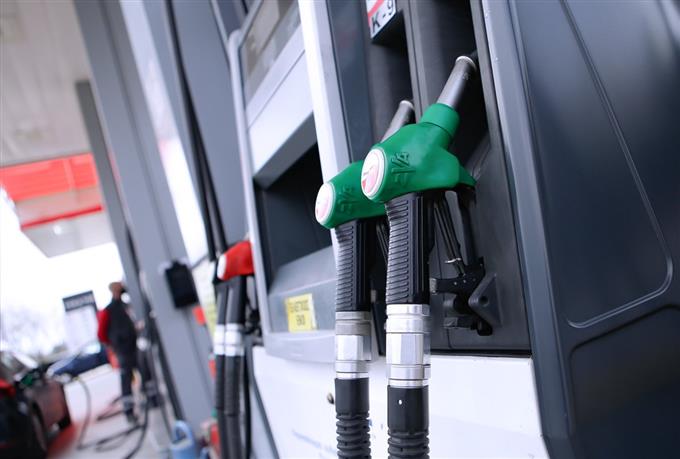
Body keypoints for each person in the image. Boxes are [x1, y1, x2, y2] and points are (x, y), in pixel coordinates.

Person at [97, 281, 140, 423]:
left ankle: (152, 400)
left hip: (134, 346)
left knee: (145, 371)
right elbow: (101, 334)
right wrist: (113, 345)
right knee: (126, 379)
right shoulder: (107, 311)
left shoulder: (125, 306)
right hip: (122, 350)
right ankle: (129, 412)